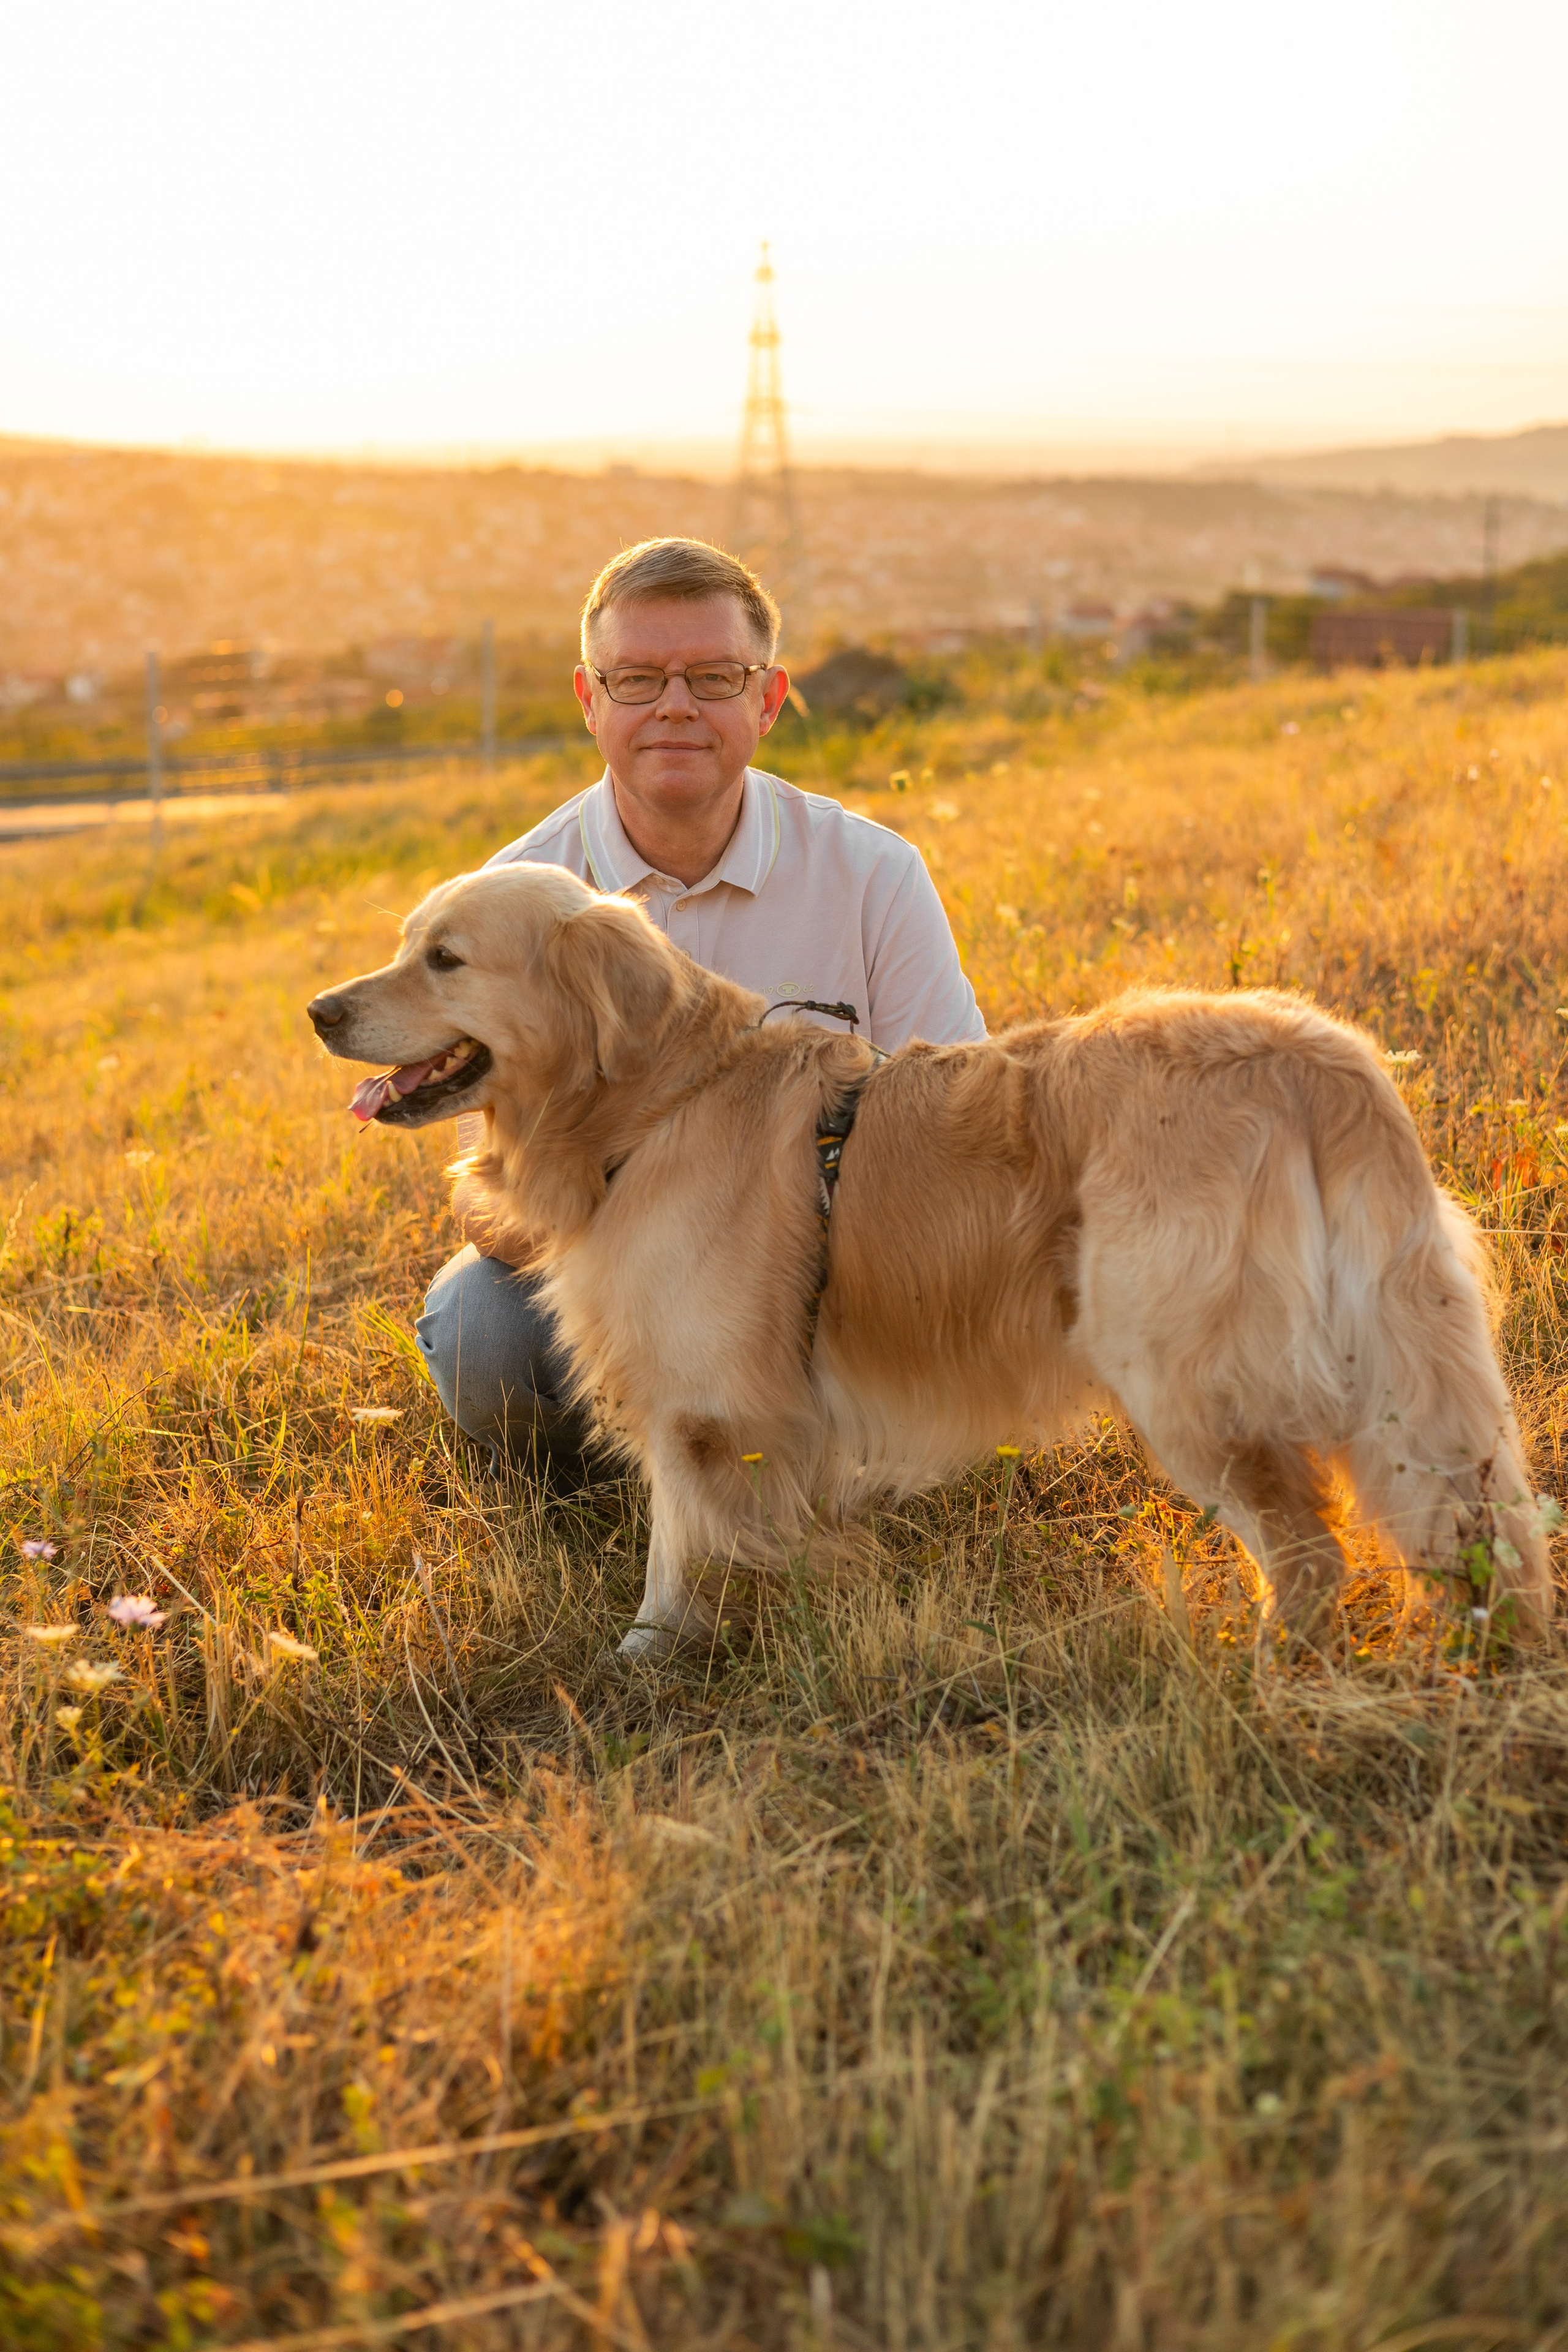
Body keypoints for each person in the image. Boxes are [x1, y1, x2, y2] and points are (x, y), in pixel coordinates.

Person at [415, 536, 986, 1477]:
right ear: (589, 699)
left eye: (714, 677)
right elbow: (492, 1194)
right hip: (611, 1282)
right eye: (637, 679)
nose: (675, 706)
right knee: (485, 1332)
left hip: (833, 1282)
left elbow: (957, 1132)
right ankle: (679, 1459)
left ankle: (803, 1449)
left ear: (768, 699)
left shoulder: (874, 874)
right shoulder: (518, 894)